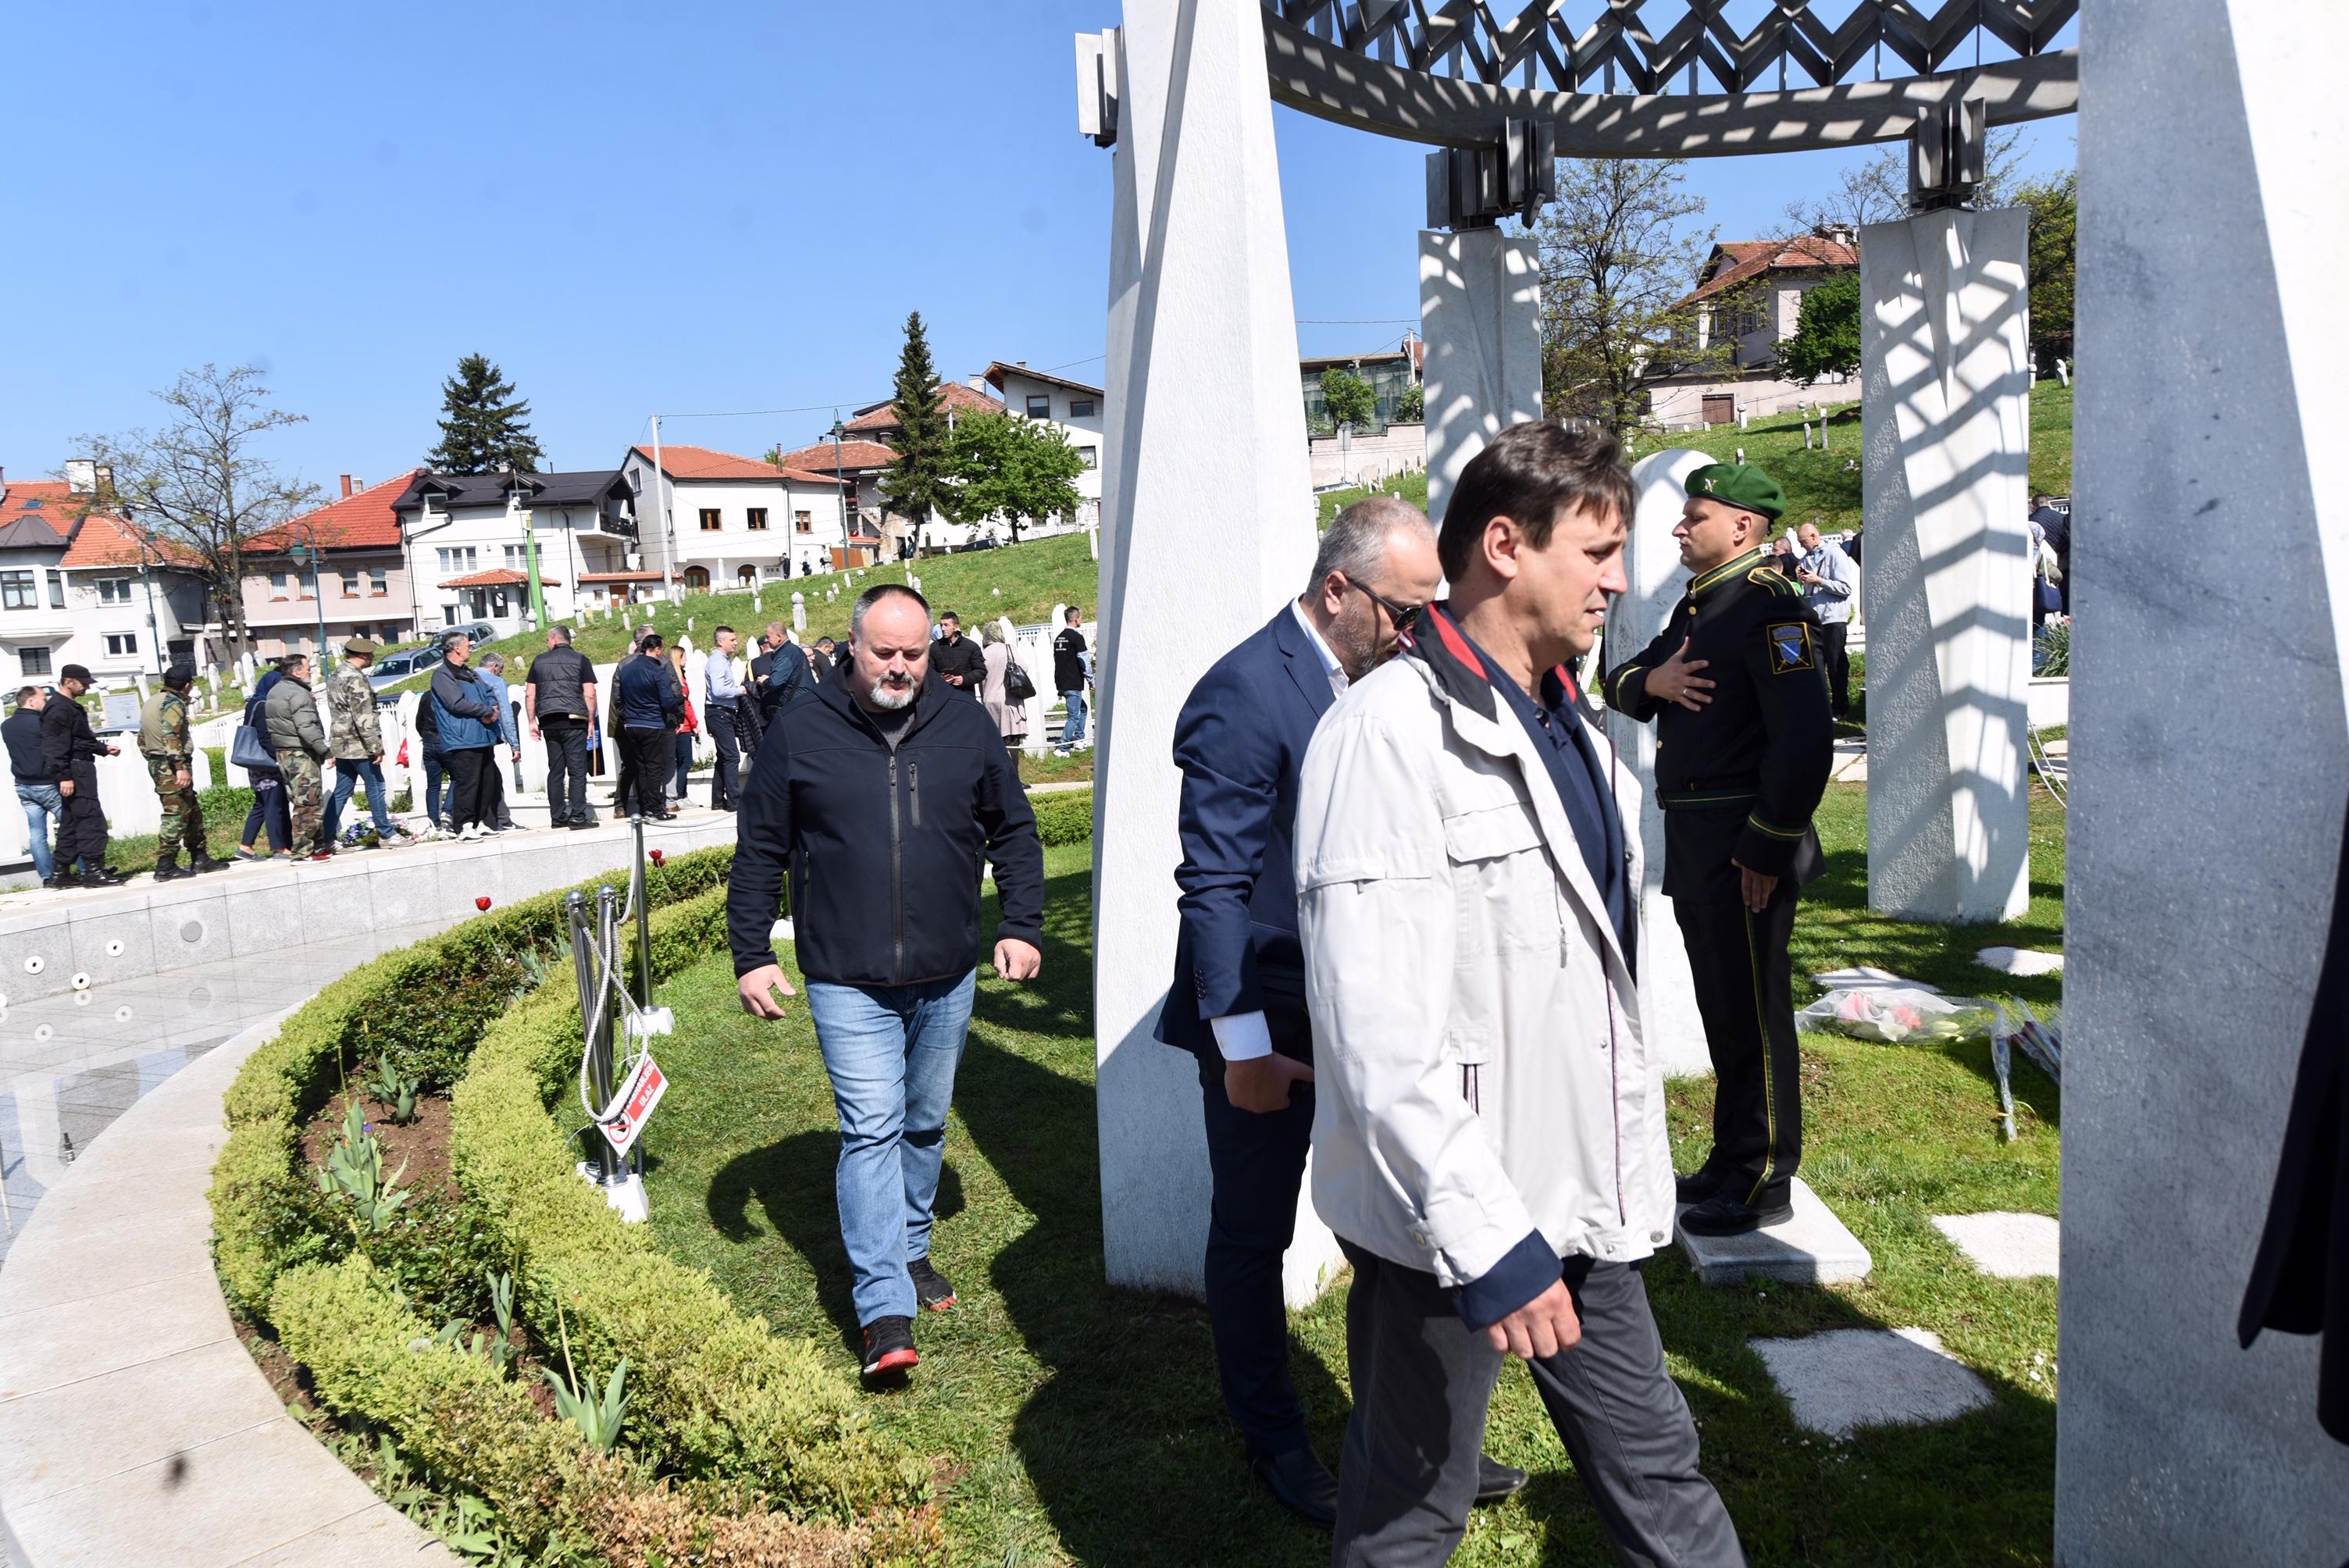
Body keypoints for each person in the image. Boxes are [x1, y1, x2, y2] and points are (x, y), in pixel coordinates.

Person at [1297, 422, 1743, 1566]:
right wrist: (1490, 1241)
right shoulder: (1386, 732)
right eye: (1597, 552)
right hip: (1451, 1224)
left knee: (1659, 1472)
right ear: (1504, 545)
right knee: (1411, 1512)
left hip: (1581, 1193)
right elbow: (1376, 1034)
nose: (1622, 579)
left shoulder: (1571, 722)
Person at [1162, 497, 1527, 1528]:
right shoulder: (1241, 694)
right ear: (1338, 590)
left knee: (1404, 1226)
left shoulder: (1388, 681)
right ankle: (1274, 1436)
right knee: (1254, 1233)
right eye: (1406, 611)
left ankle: (1418, 1440)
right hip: (1270, 1020)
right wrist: (1243, 1048)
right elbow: (1216, 885)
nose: (1419, 633)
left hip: (1370, 1007)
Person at [729, 583, 1044, 1383]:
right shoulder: (801, 730)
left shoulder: (964, 724)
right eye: (885, 653)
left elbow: (1012, 829)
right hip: (846, 974)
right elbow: (760, 848)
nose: (900, 667)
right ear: (851, 646)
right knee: (871, 1125)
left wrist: (1020, 924)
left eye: (914, 654)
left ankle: (908, 1248)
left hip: (946, 969)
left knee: (924, 1122)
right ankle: (882, 1309)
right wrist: (750, 953)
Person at [1602, 461, 1834, 1238]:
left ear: (1741, 526)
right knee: (1721, 1009)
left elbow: (1802, 743)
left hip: (1743, 848)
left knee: (1754, 1013)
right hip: (1700, 841)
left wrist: (1766, 848)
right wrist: (1655, 683)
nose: (1676, 528)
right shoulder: (1702, 608)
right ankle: (1731, 1155)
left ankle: (1764, 1173)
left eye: (1692, 516)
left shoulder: (1768, 610)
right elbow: (1620, 679)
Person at [141, 663, 226, 879]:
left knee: (191, 811)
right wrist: (179, 768)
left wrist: (154, 759)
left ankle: (200, 857)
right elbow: (171, 736)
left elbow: (142, 739)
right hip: (171, 765)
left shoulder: (152, 701)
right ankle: (165, 865)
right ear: (187, 686)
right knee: (176, 814)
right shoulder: (173, 703)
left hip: (159, 762)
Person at [43, 664, 123, 886]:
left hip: (78, 766)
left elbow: (80, 738)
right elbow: (54, 746)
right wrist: (64, 776)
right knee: (91, 819)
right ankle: (93, 870)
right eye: (84, 683)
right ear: (69, 682)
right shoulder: (59, 708)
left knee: (71, 822)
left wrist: (103, 749)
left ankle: (61, 873)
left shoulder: (67, 706)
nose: (87, 687)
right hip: (75, 770)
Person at [325, 639, 405, 847]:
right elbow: (363, 716)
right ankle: (386, 833)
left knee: (342, 789)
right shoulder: (355, 678)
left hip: (342, 743)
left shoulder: (337, 674)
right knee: (376, 786)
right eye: (370, 655)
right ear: (363, 655)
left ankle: (326, 836)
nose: (372, 658)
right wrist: (375, 747)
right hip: (359, 744)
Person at [430, 633, 504, 841]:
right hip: (463, 737)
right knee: (468, 782)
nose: (470, 648)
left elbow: (489, 691)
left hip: (483, 735)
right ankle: (463, 826)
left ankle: (479, 822)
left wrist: (493, 709)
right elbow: (456, 703)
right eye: (467, 645)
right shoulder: (443, 675)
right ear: (456, 649)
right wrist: (486, 711)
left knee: (486, 781)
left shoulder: (470, 673)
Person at [525, 625, 599, 830]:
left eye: (547, 640)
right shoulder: (580, 659)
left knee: (556, 770)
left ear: (555, 639)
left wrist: (532, 721)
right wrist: (591, 721)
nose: (547, 644)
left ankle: (557, 817)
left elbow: (530, 694)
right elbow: (590, 693)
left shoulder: (539, 661)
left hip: (549, 721)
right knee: (576, 770)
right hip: (574, 720)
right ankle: (577, 817)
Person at [264, 654, 333, 859]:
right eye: (306, 668)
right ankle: (304, 852)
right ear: (296, 672)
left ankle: (317, 847)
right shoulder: (298, 694)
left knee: (301, 801)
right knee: (309, 804)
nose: (310, 670)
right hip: (301, 754)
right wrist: (324, 750)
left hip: (285, 753)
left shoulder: (276, 691)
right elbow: (306, 727)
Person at [1791, 520, 1859, 719]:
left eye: (1803, 541)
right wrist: (1801, 581)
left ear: (1814, 536)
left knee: (1836, 663)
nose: (1802, 545)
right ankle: (1820, 706)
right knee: (1816, 665)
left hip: (1833, 617)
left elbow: (1846, 588)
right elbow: (1805, 592)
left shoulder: (1835, 554)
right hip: (1813, 619)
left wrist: (1819, 580)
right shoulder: (1804, 561)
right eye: (1799, 542)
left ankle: (1840, 707)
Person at [612, 633, 681, 820]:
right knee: (654, 768)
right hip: (653, 723)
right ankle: (656, 809)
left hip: (632, 725)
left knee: (641, 767)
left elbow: (619, 699)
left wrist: (627, 718)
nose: (662, 653)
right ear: (656, 649)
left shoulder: (626, 669)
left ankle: (645, 808)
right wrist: (677, 711)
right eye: (662, 649)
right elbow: (668, 701)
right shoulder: (658, 671)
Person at [237, 664, 293, 860]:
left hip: (257, 765)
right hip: (266, 764)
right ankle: (279, 848)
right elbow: (265, 737)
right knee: (274, 805)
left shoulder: (254, 702)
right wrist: (278, 759)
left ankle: (246, 846)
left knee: (262, 804)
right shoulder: (262, 706)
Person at [5, 687, 59, 887]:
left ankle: (46, 876)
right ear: (30, 701)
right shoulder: (41, 723)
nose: (45, 703)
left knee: (37, 834)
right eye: (43, 699)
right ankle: (83, 868)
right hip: (46, 783)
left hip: (23, 784)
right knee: (71, 826)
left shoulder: (6, 726)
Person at [979, 622, 1028, 790]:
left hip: (989, 701)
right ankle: (1014, 778)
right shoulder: (1008, 649)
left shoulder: (983, 654)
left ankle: (998, 780)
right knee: (1012, 742)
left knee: (995, 744)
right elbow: (1025, 668)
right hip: (1008, 701)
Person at [476, 652, 522, 832]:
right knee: (490, 779)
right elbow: (506, 714)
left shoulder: (466, 677)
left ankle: (502, 818)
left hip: (466, 737)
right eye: (500, 671)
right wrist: (515, 745)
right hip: (487, 736)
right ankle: (498, 820)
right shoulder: (495, 682)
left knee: (489, 778)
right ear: (495, 668)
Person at [704, 625, 747, 811]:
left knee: (724, 757)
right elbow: (718, 690)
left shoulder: (721, 661)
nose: (736, 643)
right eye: (732, 639)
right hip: (721, 713)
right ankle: (734, 801)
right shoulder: (717, 662)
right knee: (731, 756)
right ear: (720, 641)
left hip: (720, 713)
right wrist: (741, 690)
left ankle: (717, 800)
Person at [1053, 607, 1090, 754]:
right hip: (1073, 682)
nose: (1081, 619)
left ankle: (1079, 739)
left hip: (1062, 682)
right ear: (1076, 619)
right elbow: (1084, 661)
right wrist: (1091, 680)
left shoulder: (1059, 638)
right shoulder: (1076, 638)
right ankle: (1063, 748)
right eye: (1081, 617)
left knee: (1083, 709)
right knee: (1073, 716)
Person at [929, 611, 986, 699]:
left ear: (956, 627)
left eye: (946, 625)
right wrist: (940, 678)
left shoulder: (971, 646)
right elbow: (928, 671)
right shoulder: (934, 647)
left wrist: (964, 679)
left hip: (966, 697)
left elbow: (981, 671)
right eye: (941, 625)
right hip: (943, 697)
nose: (943, 628)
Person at [668, 646, 699, 804]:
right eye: (684, 657)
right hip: (683, 725)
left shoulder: (679, 678)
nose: (686, 660)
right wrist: (694, 724)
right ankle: (680, 796)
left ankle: (682, 794)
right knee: (686, 761)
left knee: (681, 761)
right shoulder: (678, 681)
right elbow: (685, 704)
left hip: (682, 725)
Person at [2029, 493, 2070, 613]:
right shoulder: (2062, 518)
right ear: (2049, 503)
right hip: (2064, 562)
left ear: (2033, 506)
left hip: (2044, 568)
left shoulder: (2031, 522)